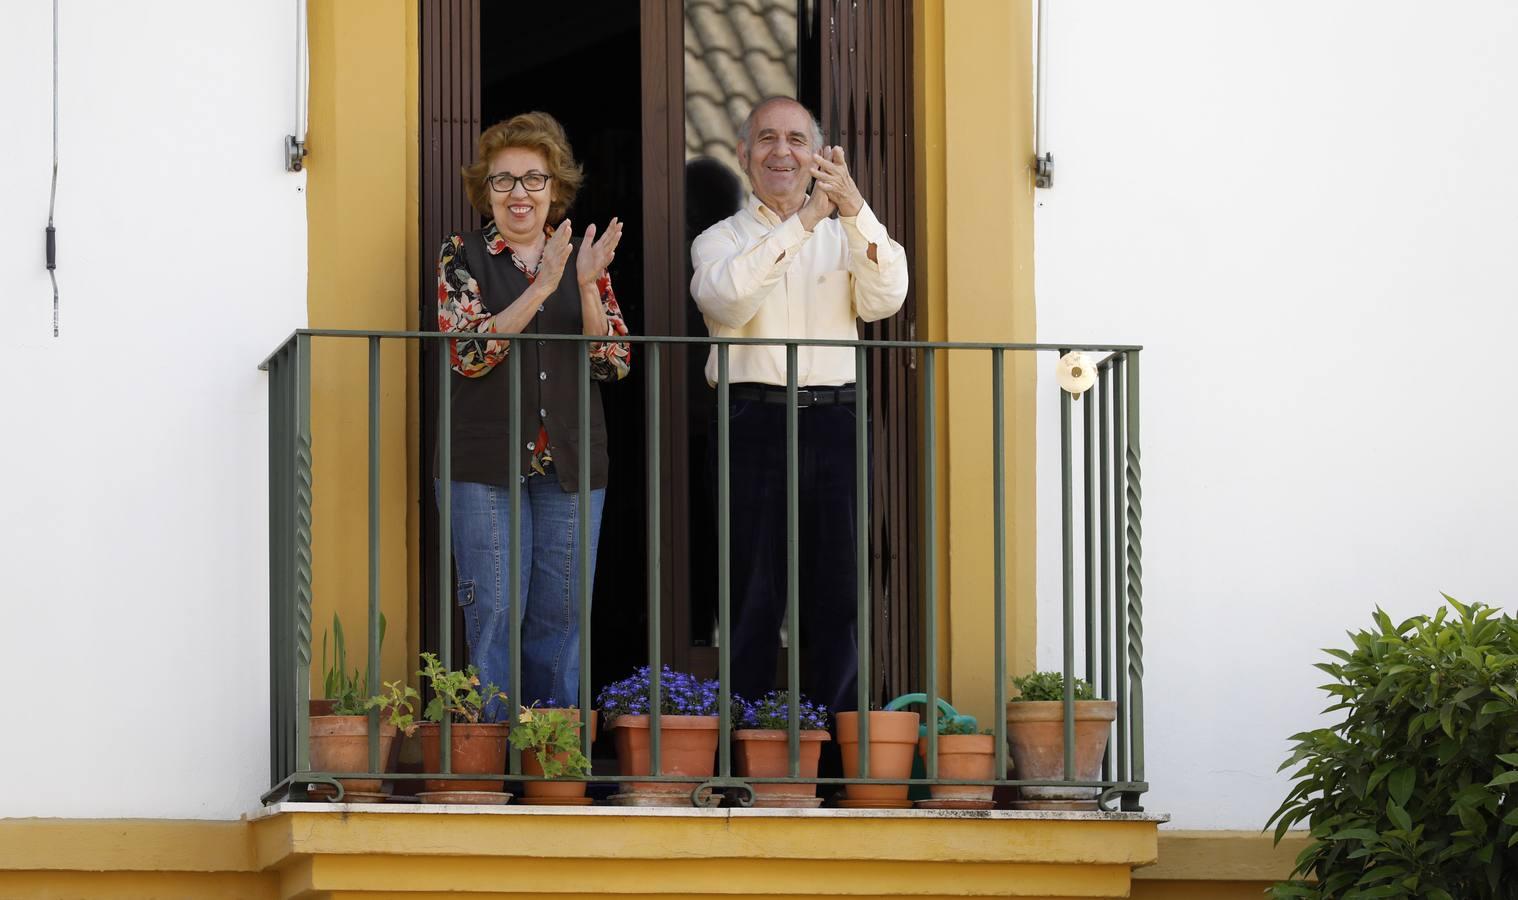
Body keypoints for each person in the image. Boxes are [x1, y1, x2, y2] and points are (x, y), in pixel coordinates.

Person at [689, 97, 908, 716]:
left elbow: (887, 297)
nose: (781, 152)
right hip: (750, 419)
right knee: (752, 592)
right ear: (743, 156)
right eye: (765, 139)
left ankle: (839, 760)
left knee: (836, 592)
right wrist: (806, 220)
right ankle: (743, 753)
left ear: (815, 154)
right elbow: (727, 301)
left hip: (835, 418)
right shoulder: (719, 240)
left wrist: (855, 209)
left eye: (795, 139)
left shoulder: (848, 233)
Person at [435, 111, 629, 716]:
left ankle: (550, 763)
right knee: (493, 609)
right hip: (484, 461)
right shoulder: (461, 255)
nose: (519, 194)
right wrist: (542, 288)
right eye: (504, 181)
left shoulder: (584, 259)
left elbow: (613, 363)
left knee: (562, 613)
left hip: (569, 463)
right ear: (484, 191)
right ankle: (491, 758)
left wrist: (589, 288)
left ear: (555, 189)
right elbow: (467, 352)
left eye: (533, 180)